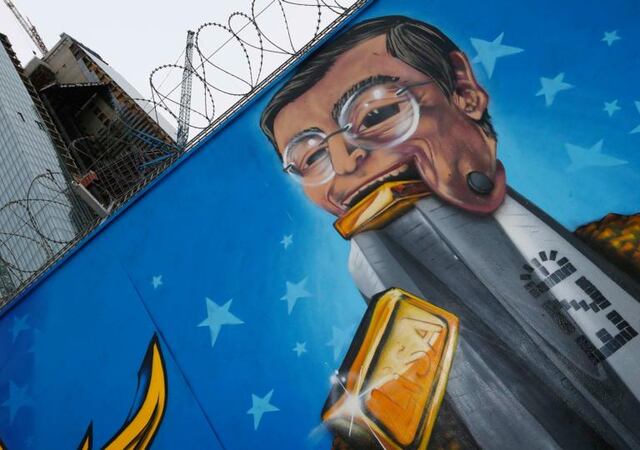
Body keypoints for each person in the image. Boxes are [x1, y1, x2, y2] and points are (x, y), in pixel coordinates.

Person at [260, 15, 640, 449]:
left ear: (463, 91)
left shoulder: (627, 244)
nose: (346, 167)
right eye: (310, 158)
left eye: (377, 113)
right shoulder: (374, 416)